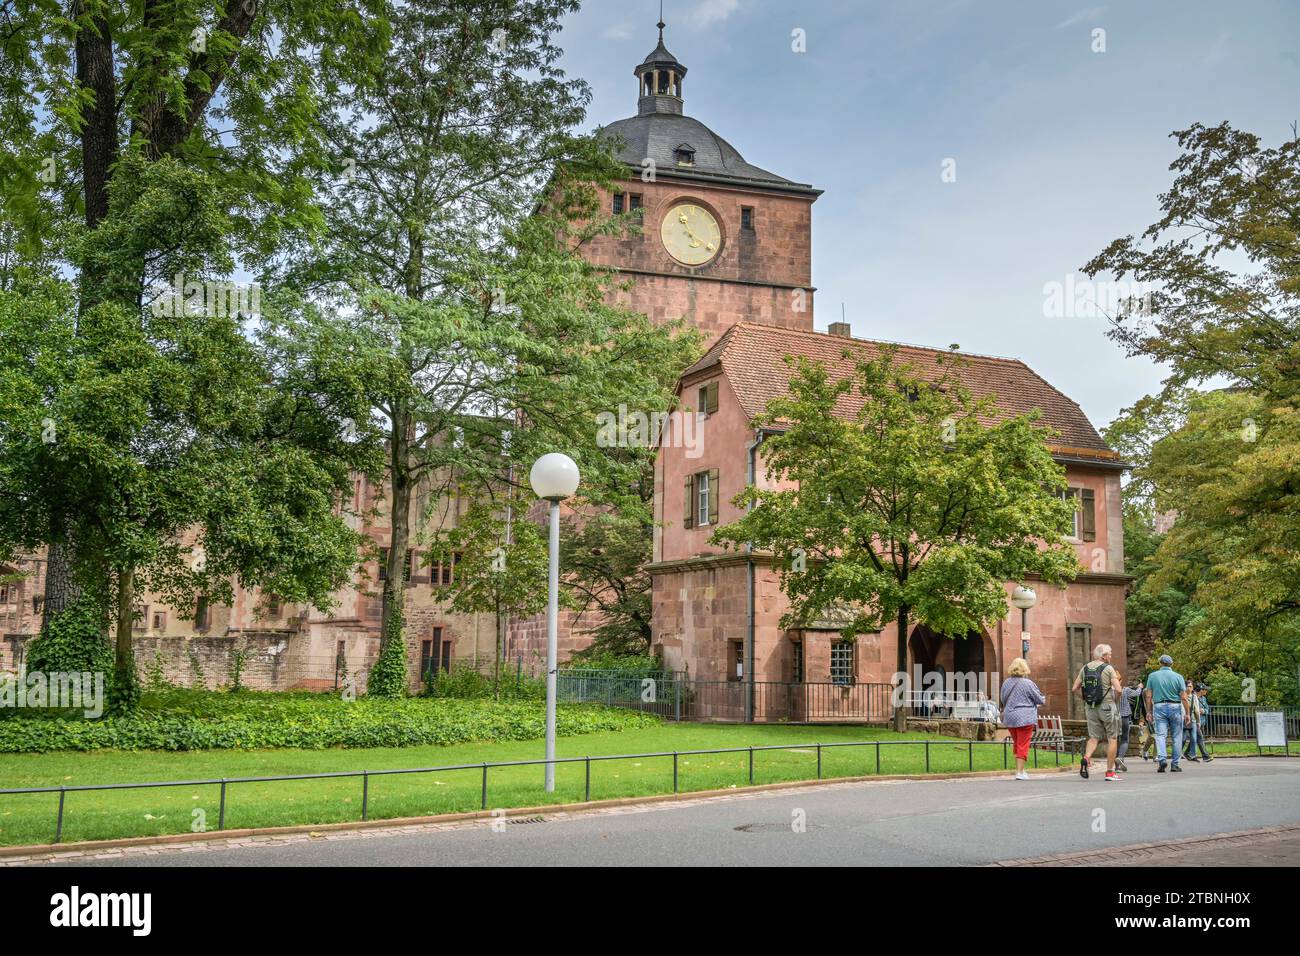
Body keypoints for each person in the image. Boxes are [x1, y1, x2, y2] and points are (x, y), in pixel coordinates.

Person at [1072, 643, 1123, 781]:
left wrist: (1085, 699)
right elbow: (1118, 689)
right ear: (1104, 655)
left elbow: (1074, 688)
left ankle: (1086, 757)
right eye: (1110, 654)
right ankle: (1110, 772)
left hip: (1091, 707)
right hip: (1107, 706)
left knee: (1094, 737)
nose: (1111, 656)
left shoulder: (1085, 668)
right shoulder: (1108, 668)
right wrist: (1115, 701)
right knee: (1112, 738)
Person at [999, 658, 1046, 781]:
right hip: (1025, 717)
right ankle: (1019, 772)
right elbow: (1040, 699)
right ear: (1024, 669)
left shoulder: (1006, 683)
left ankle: (1020, 770)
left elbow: (1003, 699)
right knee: (1023, 744)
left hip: (1010, 717)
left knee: (1017, 743)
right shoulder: (1028, 683)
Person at [1144, 654, 1190, 773]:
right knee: (1177, 736)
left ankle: (1162, 759)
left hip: (1159, 706)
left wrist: (1148, 711)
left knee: (1160, 735)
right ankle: (1175, 764)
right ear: (1171, 664)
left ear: (1160, 663)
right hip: (1175, 706)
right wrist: (1188, 713)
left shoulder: (1152, 676)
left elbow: (1148, 695)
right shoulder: (1178, 677)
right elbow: (1184, 697)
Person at [1117, 677, 1143, 772]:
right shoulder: (1125, 690)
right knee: (1124, 740)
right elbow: (1137, 693)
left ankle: (1116, 766)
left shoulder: (1108, 691)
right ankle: (1120, 758)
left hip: (1113, 718)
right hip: (1124, 717)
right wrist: (1140, 687)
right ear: (1120, 680)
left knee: (1114, 741)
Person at [1184, 682, 1214, 761]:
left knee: (1195, 738)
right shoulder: (1191, 696)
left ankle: (1187, 753)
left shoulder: (1203, 699)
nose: (1206, 691)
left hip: (1201, 722)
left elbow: (1208, 709)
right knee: (1199, 737)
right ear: (1200, 690)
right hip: (1193, 721)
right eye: (1205, 689)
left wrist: (1204, 711)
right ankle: (1205, 756)